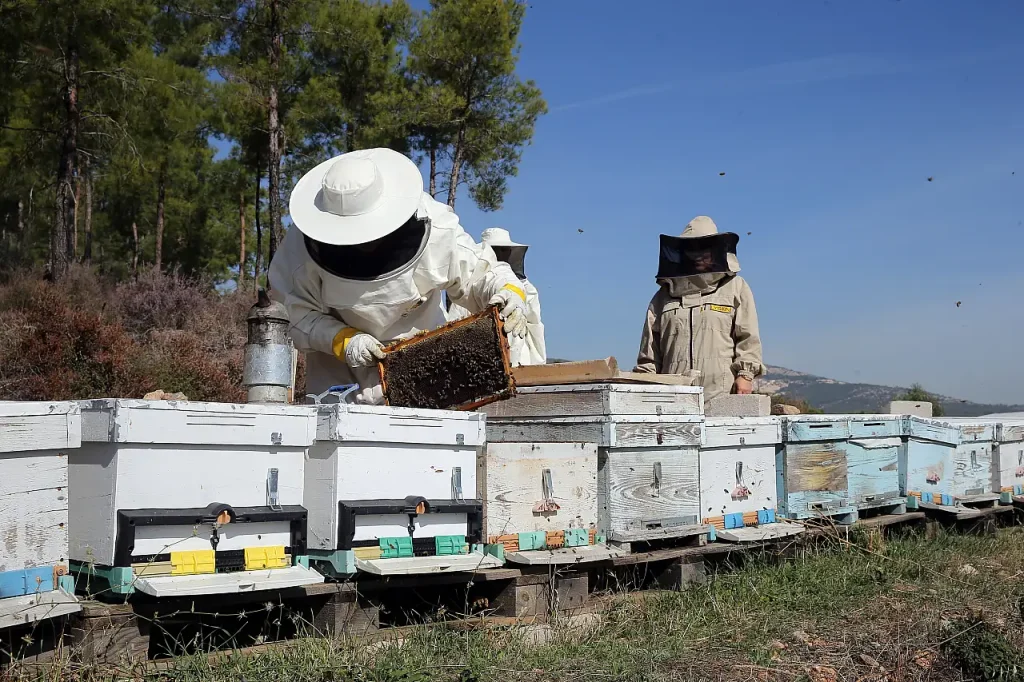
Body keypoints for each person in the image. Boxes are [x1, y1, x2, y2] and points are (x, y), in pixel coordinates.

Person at [269, 148, 528, 404]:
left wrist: (509, 291)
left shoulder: (437, 229)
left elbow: (480, 274)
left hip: (429, 367)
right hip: (339, 373)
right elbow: (294, 313)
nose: (362, 243)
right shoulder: (299, 251)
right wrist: (342, 340)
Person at [634, 216, 764, 403]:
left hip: (722, 394)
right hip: (673, 396)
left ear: (716, 249)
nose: (698, 254)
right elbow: (649, 354)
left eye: (704, 248)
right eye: (692, 249)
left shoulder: (736, 287)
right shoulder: (663, 296)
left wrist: (745, 375)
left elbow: (748, 337)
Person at [447, 228, 546, 366]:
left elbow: (535, 328)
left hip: (520, 362)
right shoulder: (469, 289)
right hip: (480, 363)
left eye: (505, 249)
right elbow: (452, 330)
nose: (502, 253)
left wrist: (538, 367)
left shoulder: (526, 289)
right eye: (497, 249)